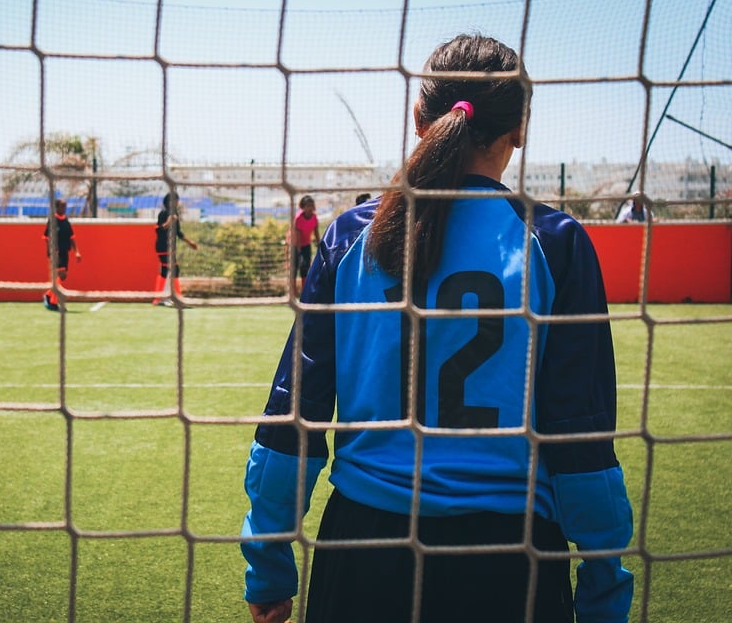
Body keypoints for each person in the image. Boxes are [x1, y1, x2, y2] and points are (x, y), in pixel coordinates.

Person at [241, 34, 633, 623]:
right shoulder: (555, 243)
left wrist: (269, 565)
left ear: (419, 117)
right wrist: (603, 587)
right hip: (510, 561)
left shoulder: (352, 235)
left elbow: (294, 416)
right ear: (519, 129)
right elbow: (582, 439)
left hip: (364, 555)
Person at [153, 191, 198, 305]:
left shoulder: (175, 213)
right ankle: (177, 298)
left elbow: (178, 232)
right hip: (163, 246)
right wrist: (168, 222)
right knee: (174, 269)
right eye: (175, 200)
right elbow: (158, 230)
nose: (177, 202)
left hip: (171, 247)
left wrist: (190, 242)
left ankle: (158, 299)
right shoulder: (163, 213)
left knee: (165, 271)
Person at [42, 198, 82, 311]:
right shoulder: (52, 220)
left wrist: (77, 252)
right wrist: (52, 251)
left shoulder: (66, 221)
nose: (64, 208)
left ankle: (49, 295)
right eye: (62, 206)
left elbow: (72, 237)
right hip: (55, 253)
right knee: (59, 275)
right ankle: (53, 302)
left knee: (62, 277)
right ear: (57, 207)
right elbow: (46, 237)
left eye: (65, 206)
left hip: (64, 252)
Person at [291, 195, 320, 297]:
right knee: (294, 270)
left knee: (305, 269)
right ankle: (293, 293)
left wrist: (318, 243)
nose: (310, 208)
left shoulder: (314, 217)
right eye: (307, 206)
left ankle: (304, 293)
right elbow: (297, 235)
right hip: (295, 246)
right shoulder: (299, 218)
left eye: (311, 206)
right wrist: (299, 251)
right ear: (303, 207)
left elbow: (316, 232)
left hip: (306, 245)